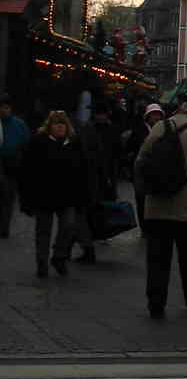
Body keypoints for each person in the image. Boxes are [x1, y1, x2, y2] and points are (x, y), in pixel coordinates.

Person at [134, 94, 187, 319]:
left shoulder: (159, 127)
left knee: (157, 259)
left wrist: (144, 191)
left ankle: (156, 303)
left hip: (156, 206)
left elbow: (140, 160)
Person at [18, 110, 87, 278]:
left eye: (62, 124)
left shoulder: (73, 143)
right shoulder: (38, 142)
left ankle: (59, 256)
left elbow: (82, 170)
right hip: (44, 195)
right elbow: (27, 171)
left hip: (67, 195)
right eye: (56, 124)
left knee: (69, 226)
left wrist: (83, 194)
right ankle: (42, 262)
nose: (60, 127)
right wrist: (27, 198)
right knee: (43, 231)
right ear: (50, 126)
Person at [72, 103, 121, 263]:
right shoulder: (88, 131)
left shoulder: (91, 131)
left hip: (100, 176)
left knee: (86, 214)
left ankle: (84, 245)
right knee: (85, 213)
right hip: (93, 178)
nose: (100, 116)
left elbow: (115, 151)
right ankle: (82, 245)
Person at [125, 103, 165, 234]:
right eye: (154, 115)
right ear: (147, 117)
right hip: (140, 171)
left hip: (157, 171)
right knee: (141, 199)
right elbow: (129, 148)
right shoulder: (139, 131)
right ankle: (145, 228)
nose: (156, 117)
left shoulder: (164, 130)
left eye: (158, 115)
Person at [0, 94, 31, 238]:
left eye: (6, 108)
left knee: (8, 197)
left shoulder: (19, 124)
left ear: (10, 109)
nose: (3, 110)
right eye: (1, 108)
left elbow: (26, 144)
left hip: (12, 164)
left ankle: (4, 227)